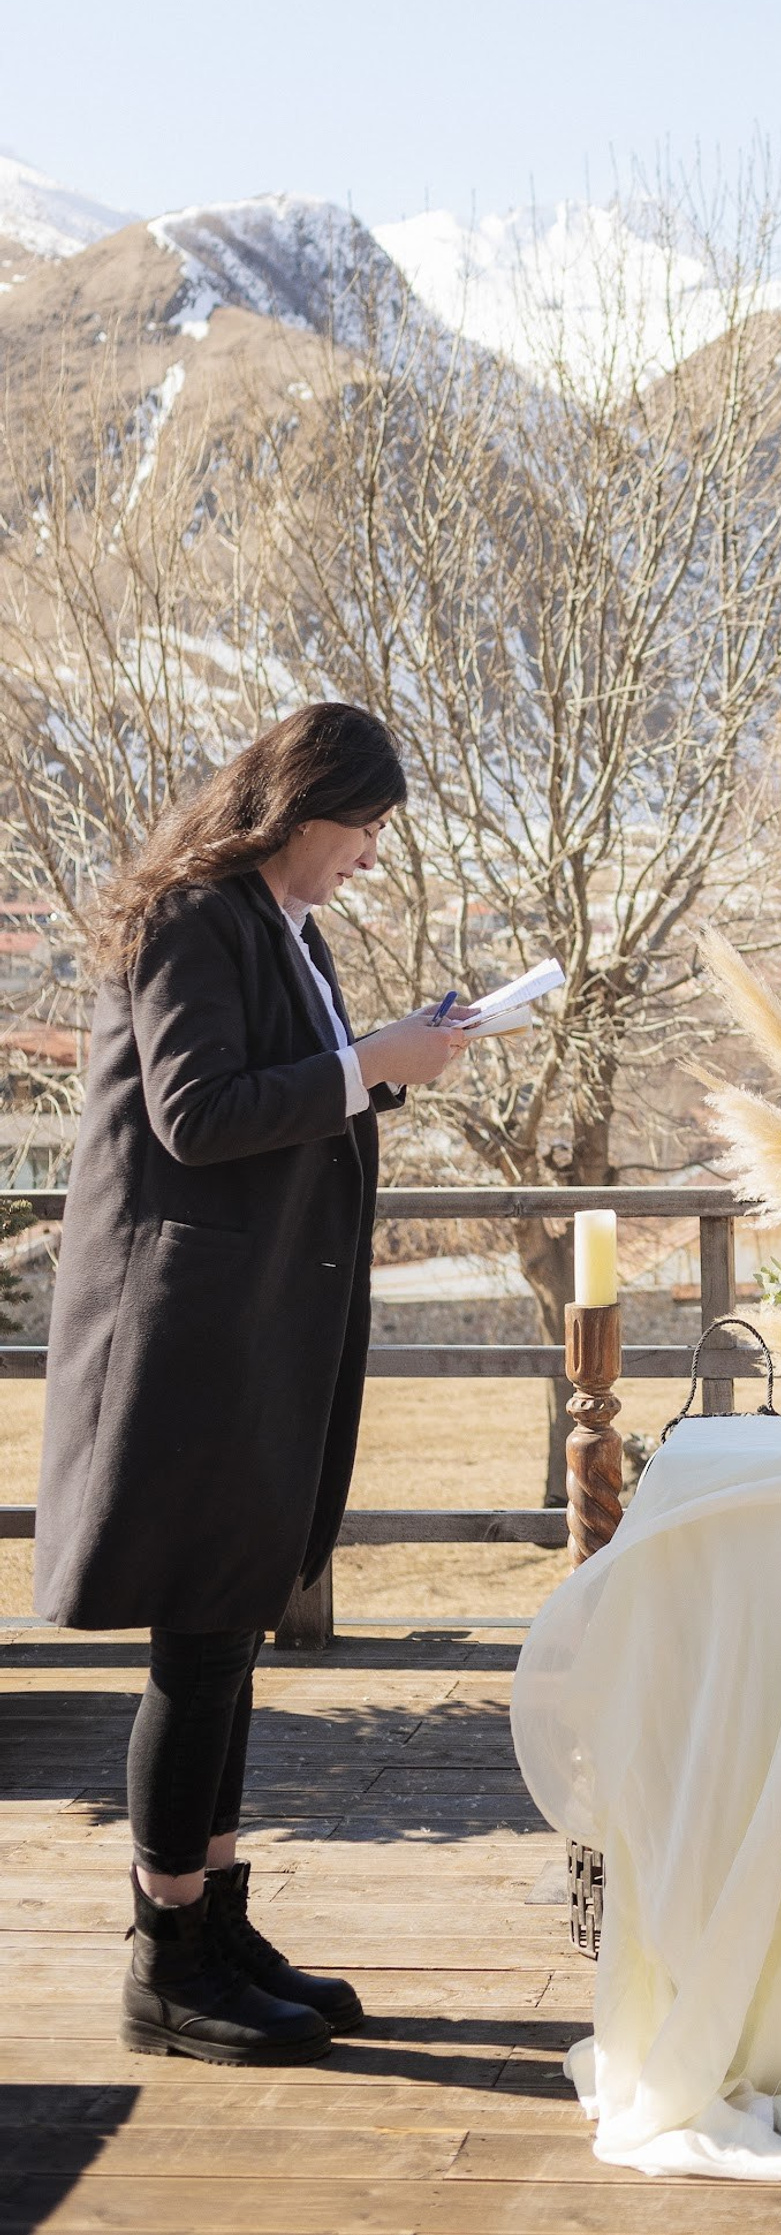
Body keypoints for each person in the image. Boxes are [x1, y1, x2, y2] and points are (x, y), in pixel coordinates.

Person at [34, 703, 473, 2062]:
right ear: (300, 808)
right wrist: (368, 1066)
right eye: (365, 828)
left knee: (226, 1631)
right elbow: (196, 1110)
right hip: (184, 1335)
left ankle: (216, 1919)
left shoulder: (285, 926)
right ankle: (165, 1962)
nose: (370, 856)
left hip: (254, 1326)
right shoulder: (193, 918)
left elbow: (292, 1083)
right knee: (202, 1641)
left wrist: (387, 1059)